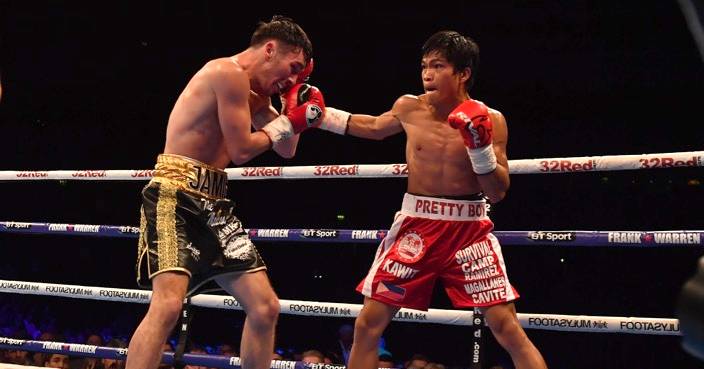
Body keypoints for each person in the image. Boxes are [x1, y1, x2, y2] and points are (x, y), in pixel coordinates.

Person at [312, 30, 548, 369]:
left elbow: (497, 191)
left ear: (463, 73)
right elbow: (374, 127)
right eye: (424, 66)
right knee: (367, 324)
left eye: (438, 66)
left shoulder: (491, 120)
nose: (427, 74)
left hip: (469, 230)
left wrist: (478, 147)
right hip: (416, 226)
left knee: (506, 327)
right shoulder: (409, 107)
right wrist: (320, 116)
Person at [126, 15, 322, 369]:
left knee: (265, 308)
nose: (292, 78)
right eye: (292, 67)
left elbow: (286, 149)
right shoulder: (225, 73)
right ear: (270, 49)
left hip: (216, 204)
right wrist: (290, 121)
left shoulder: (257, 95)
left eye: (300, 74)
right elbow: (244, 149)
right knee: (168, 305)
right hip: (176, 193)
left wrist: (291, 107)